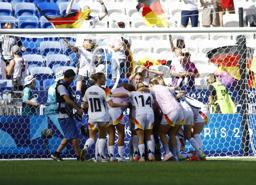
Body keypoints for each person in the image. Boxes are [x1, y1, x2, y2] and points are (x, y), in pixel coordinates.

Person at [81, 72, 127, 162]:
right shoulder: (105, 90)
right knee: (102, 137)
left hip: (92, 117)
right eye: (103, 78)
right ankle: (102, 157)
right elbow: (112, 104)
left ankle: (86, 147)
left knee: (92, 137)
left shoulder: (88, 90)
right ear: (98, 79)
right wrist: (121, 104)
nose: (105, 80)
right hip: (102, 117)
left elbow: (84, 105)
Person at [51, 69, 84, 161]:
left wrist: (78, 107)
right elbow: (67, 100)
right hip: (64, 115)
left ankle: (56, 153)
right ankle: (79, 156)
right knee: (74, 137)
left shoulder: (65, 86)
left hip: (66, 114)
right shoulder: (61, 86)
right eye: (72, 79)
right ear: (68, 77)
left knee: (68, 136)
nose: (72, 81)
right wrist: (78, 109)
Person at [149, 77, 185, 161]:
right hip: (180, 110)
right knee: (172, 134)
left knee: (161, 133)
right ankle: (177, 155)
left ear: (152, 84)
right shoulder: (165, 88)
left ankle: (168, 153)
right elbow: (175, 88)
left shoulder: (153, 88)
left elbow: (146, 91)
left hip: (170, 111)